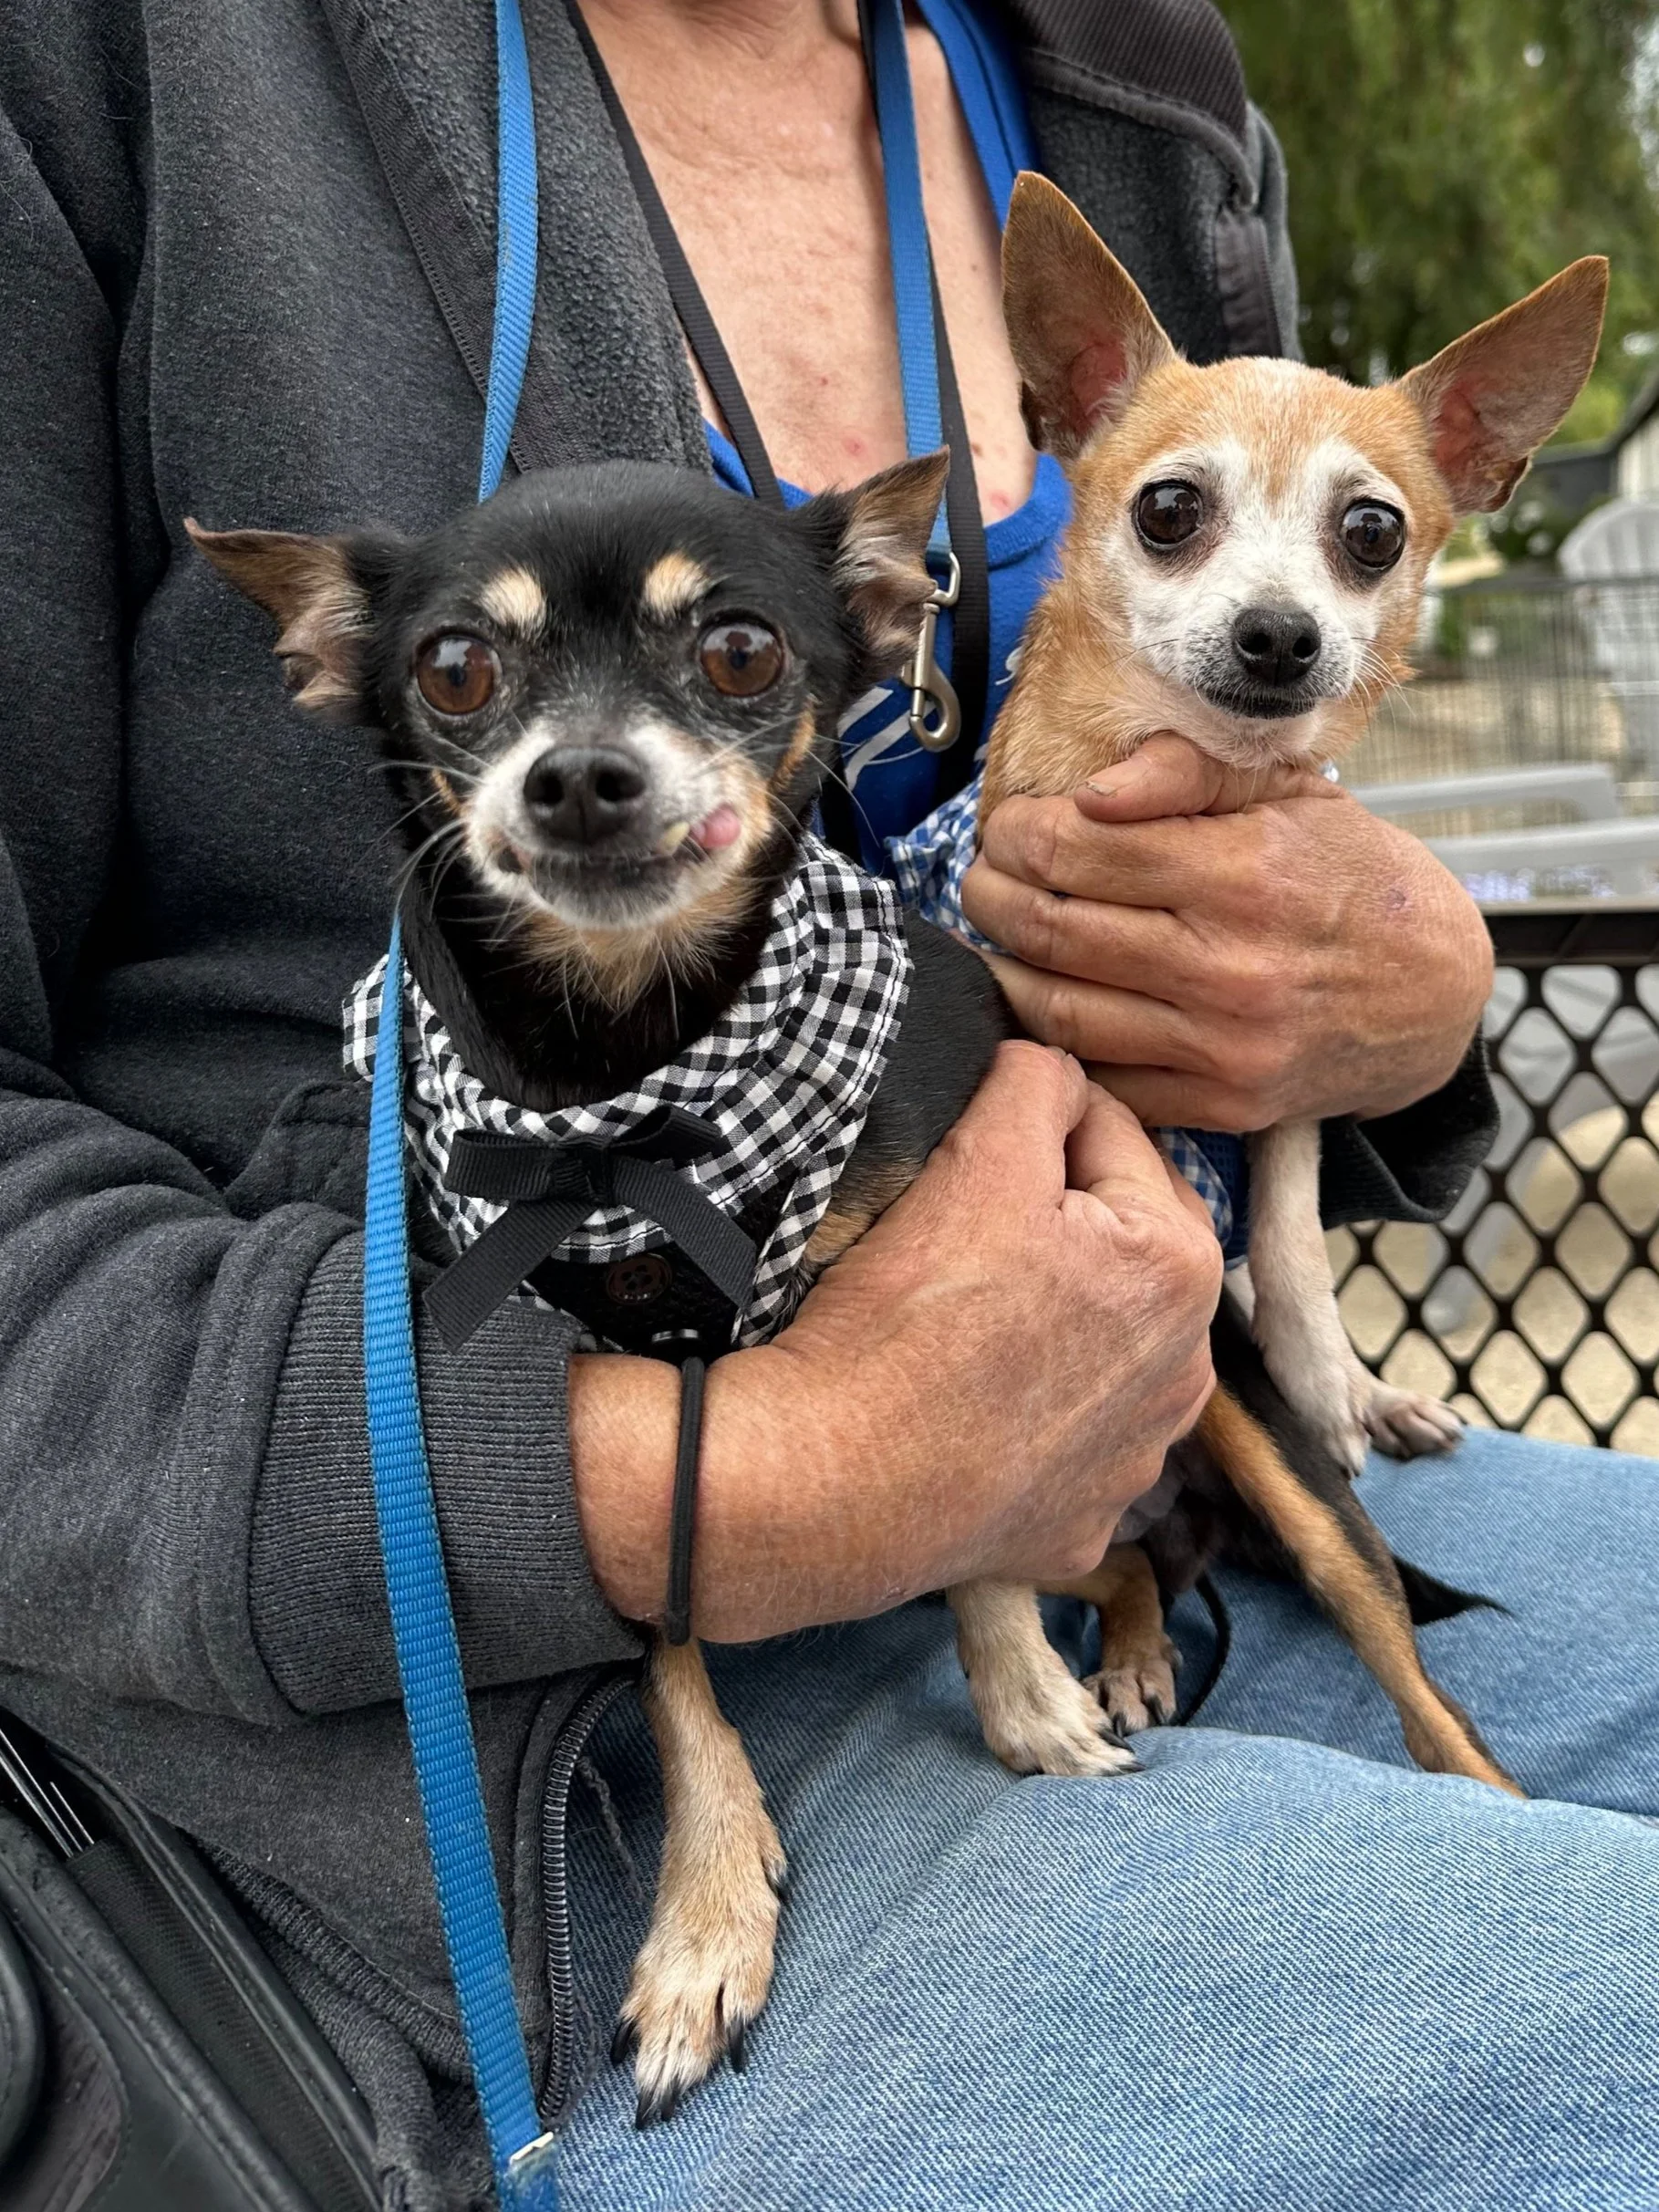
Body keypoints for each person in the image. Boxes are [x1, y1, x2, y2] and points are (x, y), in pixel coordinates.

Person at [0, 2, 1654, 2207]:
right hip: (435, 1717)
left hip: (1123, 1493)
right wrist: (766, 1479)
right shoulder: (115, 68)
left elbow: (1211, 900)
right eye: (474, 679)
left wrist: (1393, 1021)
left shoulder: (1119, 90)